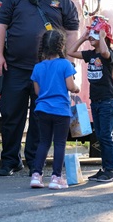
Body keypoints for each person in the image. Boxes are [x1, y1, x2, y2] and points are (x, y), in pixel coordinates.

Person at [0, 0, 79, 176]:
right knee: (11, 114)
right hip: (16, 67)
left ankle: (34, 162)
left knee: (41, 117)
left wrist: (68, 63)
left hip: (49, 71)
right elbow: (0, 25)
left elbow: (71, 34)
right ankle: (10, 160)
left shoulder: (64, 2)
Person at [68, 16, 113, 183]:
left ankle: (111, 170)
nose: (91, 37)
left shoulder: (108, 54)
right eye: (91, 34)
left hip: (107, 100)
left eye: (94, 34)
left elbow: (104, 52)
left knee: (106, 135)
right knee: (100, 134)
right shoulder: (89, 54)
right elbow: (70, 52)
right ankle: (104, 168)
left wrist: (103, 38)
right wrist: (83, 38)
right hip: (95, 100)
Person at [29, 29, 80, 190]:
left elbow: (37, 92)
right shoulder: (65, 65)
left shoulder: (38, 67)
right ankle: (56, 177)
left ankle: (36, 175)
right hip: (60, 111)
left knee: (43, 142)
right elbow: (71, 86)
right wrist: (77, 88)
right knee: (59, 143)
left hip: (42, 109)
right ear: (62, 46)